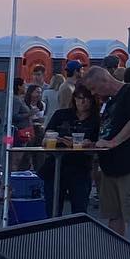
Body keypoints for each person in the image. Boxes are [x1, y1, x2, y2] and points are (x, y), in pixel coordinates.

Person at [83, 64, 130, 249]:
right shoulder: (110, 102)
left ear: (103, 80)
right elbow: (108, 127)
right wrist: (97, 142)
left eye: (93, 88)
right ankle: (117, 252)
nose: (93, 93)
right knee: (115, 214)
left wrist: (114, 142)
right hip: (111, 167)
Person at [39, 83, 102, 216]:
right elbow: (45, 138)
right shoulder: (61, 114)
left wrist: (89, 143)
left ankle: (77, 235)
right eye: (78, 98)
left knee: (79, 210)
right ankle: (52, 234)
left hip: (80, 167)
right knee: (52, 209)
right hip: (55, 167)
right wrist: (58, 140)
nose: (82, 102)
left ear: (92, 100)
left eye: (86, 98)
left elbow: (101, 143)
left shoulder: (97, 120)